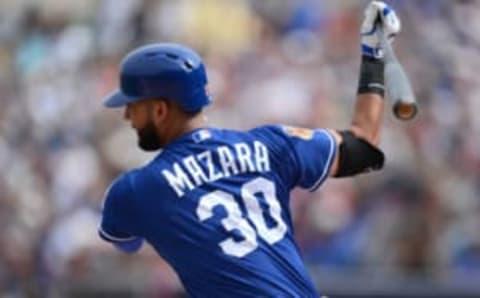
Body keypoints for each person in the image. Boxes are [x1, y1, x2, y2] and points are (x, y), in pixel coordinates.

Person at [98, 1, 401, 297]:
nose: (127, 116)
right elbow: (364, 144)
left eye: (134, 107)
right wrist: (373, 53)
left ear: (161, 110)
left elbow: (126, 242)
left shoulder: (136, 189)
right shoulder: (270, 145)